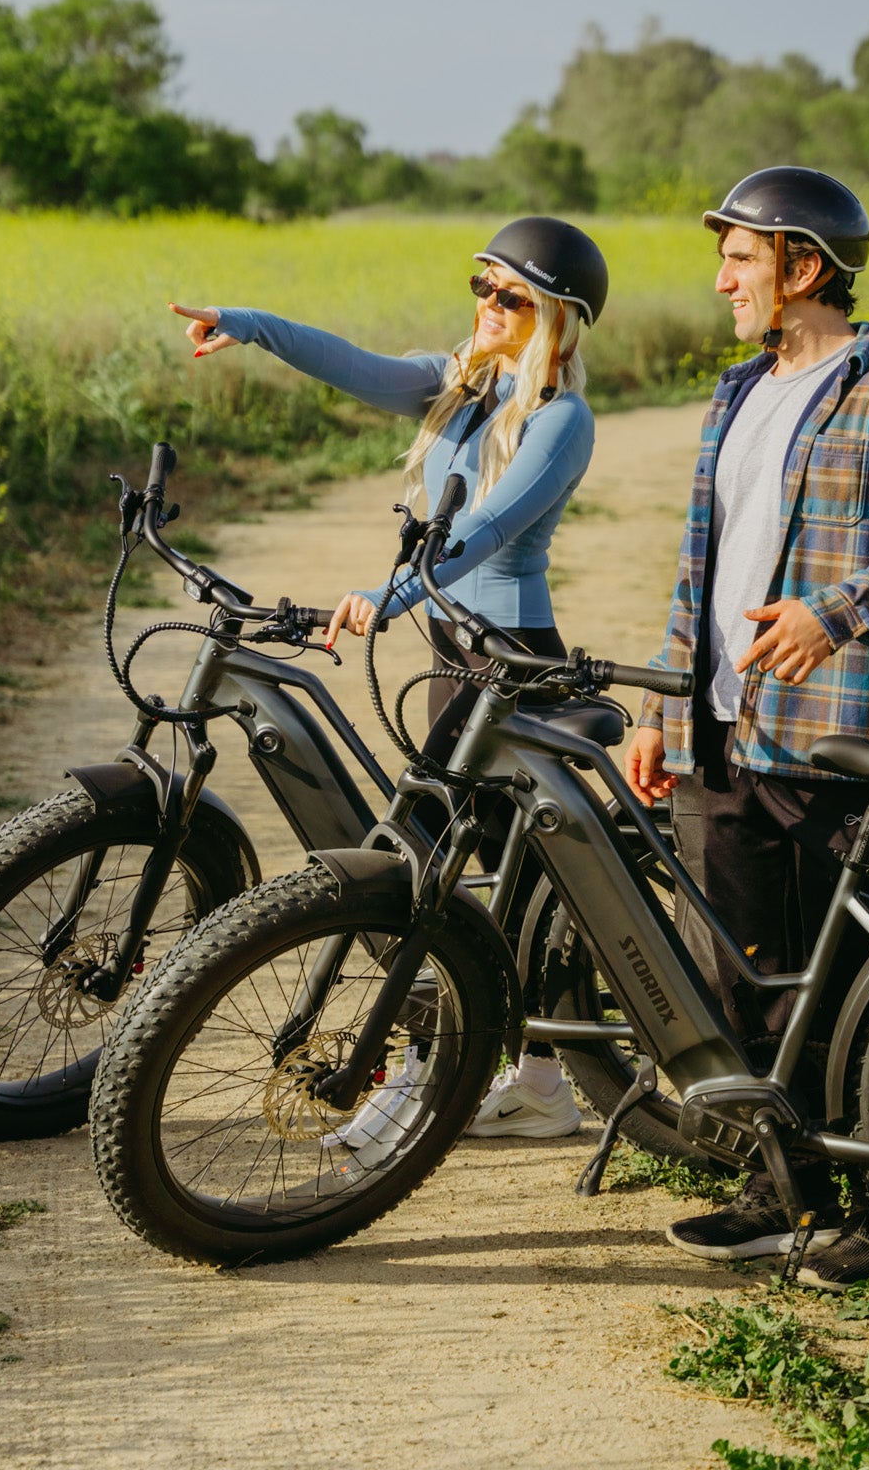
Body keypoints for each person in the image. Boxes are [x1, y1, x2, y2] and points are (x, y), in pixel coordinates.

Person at [170, 216, 609, 1142]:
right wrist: (247, 322)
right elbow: (350, 364)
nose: (488, 305)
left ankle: (435, 1069)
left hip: (513, 667)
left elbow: (483, 533)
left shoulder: (562, 419)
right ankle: (529, 1080)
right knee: (488, 870)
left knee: (451, 868)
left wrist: (389, 594)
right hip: (458, 667)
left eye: (512, 296)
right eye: (482, 285)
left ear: (558, 318)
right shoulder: (458, 385)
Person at [623, 167, 869, 1289]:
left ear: (801, 267)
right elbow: (699, 573)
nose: (720, 277)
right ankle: (787, 1193)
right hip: (725, 734)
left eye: (738, 258)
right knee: (747, 984)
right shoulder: (737, 391)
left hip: (834, 737)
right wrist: (663, 708)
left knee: (859, 993)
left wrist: (835, 612)